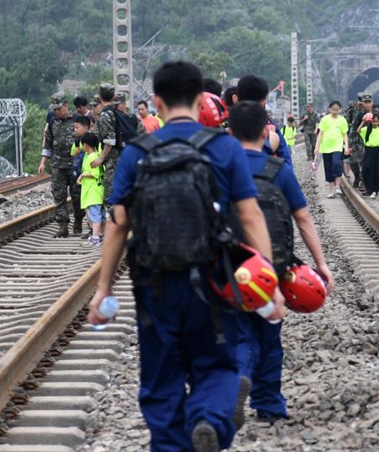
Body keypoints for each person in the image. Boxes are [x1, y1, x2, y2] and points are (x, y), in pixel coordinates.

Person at [88, 61, 284, 452]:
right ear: (201, 100)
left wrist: (103, 288)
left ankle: (169, 445)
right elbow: (250, 215)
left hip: (154, 282)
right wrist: (269, 283)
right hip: (212, 278)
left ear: (157, 103)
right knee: (217, 366)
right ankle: (209, 418)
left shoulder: (137, 152)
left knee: (161, 379)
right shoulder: (224, 147)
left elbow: (118, 224)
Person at [227, 101, 335, 423]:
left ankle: (238, 375)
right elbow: (303, 219)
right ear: (265, 132)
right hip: (272, 265)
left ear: (229, 132)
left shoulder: (220, 169)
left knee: (237, 330)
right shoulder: (278, 170)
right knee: (270, 336)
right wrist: (321, 264)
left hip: (231, 264)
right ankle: (269, 404)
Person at [38, 95, 84, 238]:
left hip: (75, 165)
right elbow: (48, 144)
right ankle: (63, 226)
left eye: (58, 109)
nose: (56, 112)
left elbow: (88, 140)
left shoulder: (77, 120)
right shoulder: (53, 122)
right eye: (54, 109)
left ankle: (78, 220)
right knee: (58, 195)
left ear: (65, 105)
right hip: (58, 165)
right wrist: (43, 162)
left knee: (77, 195)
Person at [236, 75, 293, 164]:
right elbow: (286, 160)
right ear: (263, 102)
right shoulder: (270, 127)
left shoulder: (226, 124)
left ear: (236, 98)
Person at [314, 100, 349, 198]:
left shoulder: (342, 120)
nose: (335, 111)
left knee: (336, 164)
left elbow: (345, 135)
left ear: (340, 109)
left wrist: (346, 146)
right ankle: (332, 190)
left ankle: (337, 186)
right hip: (326, 147)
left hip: (337, 146)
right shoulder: (324, 119)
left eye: (337, 109)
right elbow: (320, 134)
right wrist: (317, 147)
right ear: (330, 109)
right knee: (328, 168)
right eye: (333, 109)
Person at [93, 84, 121, 203]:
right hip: (121, 157)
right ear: (114, 97)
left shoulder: (105, 115)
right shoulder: (118, 112)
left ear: (99, 97)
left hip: (112, 161)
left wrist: (101, 157)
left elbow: (110, 140)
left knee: (111, 197)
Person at [77, 132, 104, 247]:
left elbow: (95, 173)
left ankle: (95, 238)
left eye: (82, 144)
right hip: (95, 191)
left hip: (93, 192)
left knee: (95, 215)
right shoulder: (94, 156)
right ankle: (101, 235)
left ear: (85, 144)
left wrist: (82, 175)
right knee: (100, 214)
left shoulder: (93, 157)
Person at [71, 115, 94, 239]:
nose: (75, 130)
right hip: (80, 176)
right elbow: (73, 154)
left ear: (86, 127)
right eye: (74, 128)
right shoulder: (77, 141)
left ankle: (95, 230)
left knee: (92, 205)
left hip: (90, 178)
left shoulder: (93, 140)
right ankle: (91, 228)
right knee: (82, 202)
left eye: (77, 128)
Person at [357, 104, 379, 198]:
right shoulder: (366, 130)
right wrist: (363, 121)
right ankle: (371, 190)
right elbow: (358, 131)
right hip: (369, 151)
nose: (375, 123)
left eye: (377, 121)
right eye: (373, 121)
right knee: (369, 170)